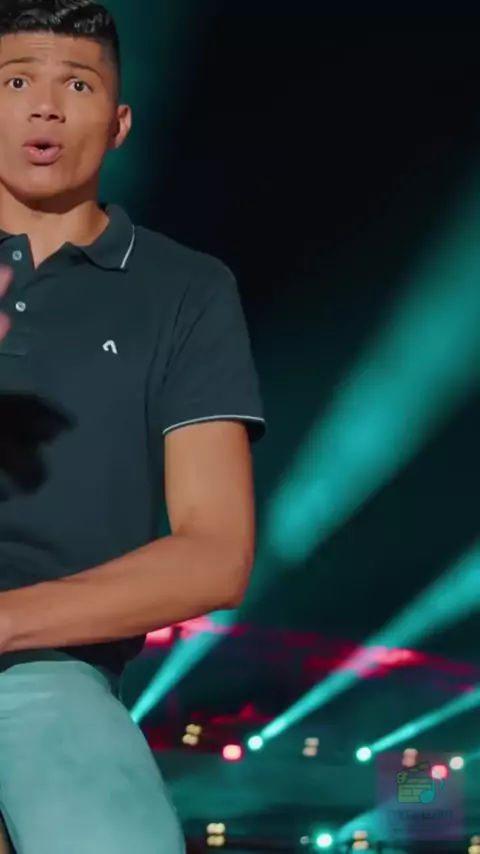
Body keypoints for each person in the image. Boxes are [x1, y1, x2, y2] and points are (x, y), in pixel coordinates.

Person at [0, 1, 265, 853]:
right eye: (16, 82)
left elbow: (215, 552)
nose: (45, 107)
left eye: (76, 85)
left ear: (118, 124)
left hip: (44, 672)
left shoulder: (184, 289)